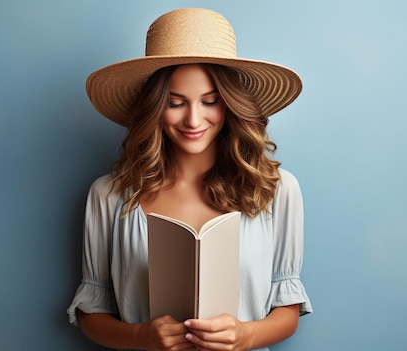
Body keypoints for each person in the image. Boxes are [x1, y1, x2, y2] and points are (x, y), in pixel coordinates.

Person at [67, 7, 312, 351]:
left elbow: (287, 308)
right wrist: (140, 336)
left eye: (210, 101)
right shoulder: (108, 195)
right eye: (176, 103)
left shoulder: (277, 189)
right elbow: (91, 312)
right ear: (155, 108)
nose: (193, 120)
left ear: (229, 105)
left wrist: (245, 336)